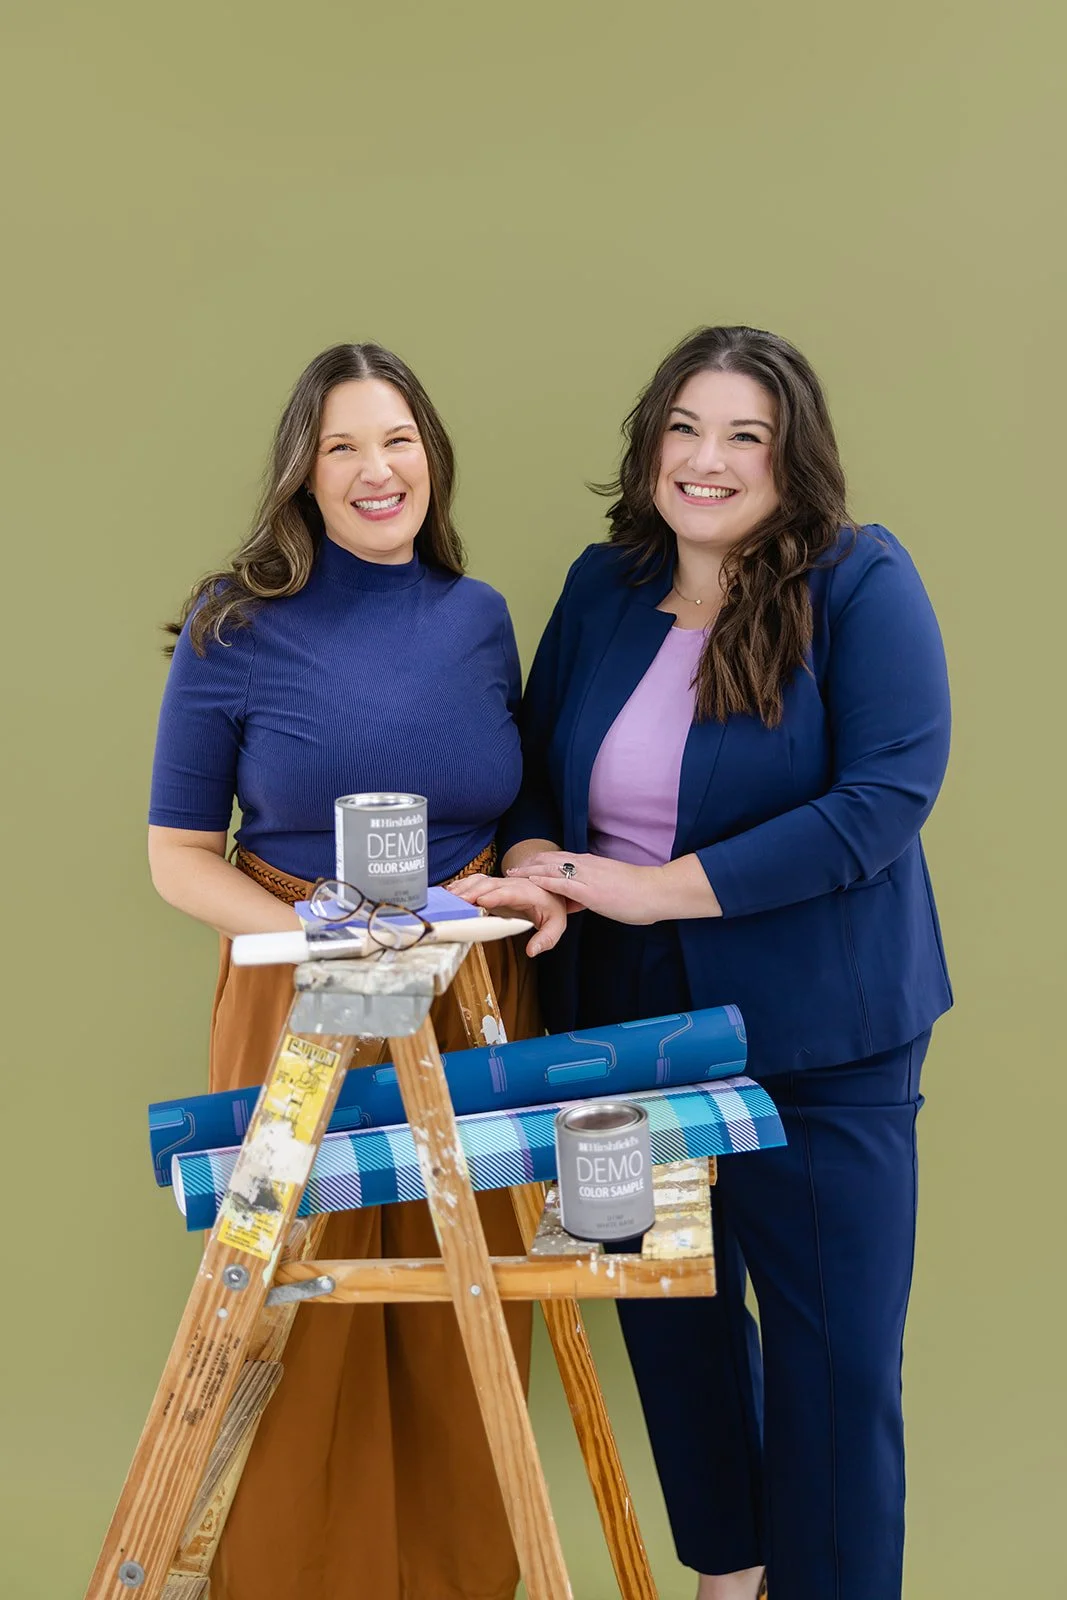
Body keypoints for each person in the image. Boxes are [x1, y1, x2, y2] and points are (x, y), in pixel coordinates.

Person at [455, 325, 952, 1600]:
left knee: (830, 1363)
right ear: (648, 445)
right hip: (615, 1030)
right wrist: (538, 868)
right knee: (668, 1330)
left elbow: (881, 801)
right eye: (683, 427)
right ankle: (726, 1582)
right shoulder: (602, 585)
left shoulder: (858, 581)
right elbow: (529, 776)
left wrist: (644, 887)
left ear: (793, 458)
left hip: (822, 1034)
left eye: (745, 434)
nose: (708, 458)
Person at [147, 341, 563, 1600]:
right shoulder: (236, 626)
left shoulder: (478, 616)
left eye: (397, 441)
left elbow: (520, 800)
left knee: (471, 1318)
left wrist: (528, 872)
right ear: (304, 475)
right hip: (301, 998)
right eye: (343, 447)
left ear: (430, 456)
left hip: (475, 996)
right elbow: (176, 856)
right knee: (299, 1326)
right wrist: (311, 933)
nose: (377, 470)